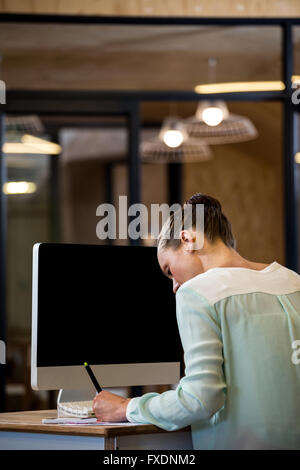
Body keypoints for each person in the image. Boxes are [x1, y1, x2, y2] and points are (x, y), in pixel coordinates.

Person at [92, 193, 300, 450]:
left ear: (187, 239)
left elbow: (201, 397)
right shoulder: (292, 280)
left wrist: (127, 407)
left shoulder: (198, 292)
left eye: (169, 270)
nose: (175, 287)